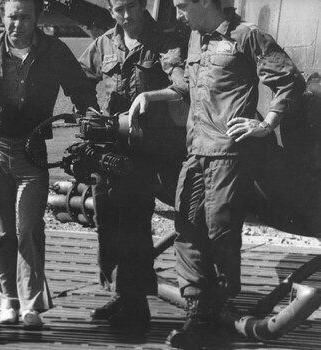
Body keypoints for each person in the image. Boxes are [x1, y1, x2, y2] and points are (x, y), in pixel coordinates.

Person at [128, 0, 305, 346]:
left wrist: (266, 124)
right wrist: (150, 95)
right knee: (187, 227)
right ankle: (198, 312)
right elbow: (187, 88)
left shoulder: (246, 37)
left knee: (219, 230)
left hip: (229, 154)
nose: (178, 13)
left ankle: (217, 305)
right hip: (195, 151)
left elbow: (288, 80)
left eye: (182, 6)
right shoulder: (195, 40)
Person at [0, 0, 98, 329]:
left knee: (29, 229)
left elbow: (82, 93)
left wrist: (93, 122)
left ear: (38, 17)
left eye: (25, 17)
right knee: (3, 231)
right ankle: (6, 303)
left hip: (33, 153)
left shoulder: (56, 50)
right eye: (12, 17)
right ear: (1, 17)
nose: (18, 24)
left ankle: (31, 304)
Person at [78, 0, 187, 330]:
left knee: (134, 223)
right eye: (118, 9)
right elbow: (79, 79)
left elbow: (182, 86)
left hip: (147, 150)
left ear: (142, 4)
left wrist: (150, 99)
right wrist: (87, 111)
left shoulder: (164, 41)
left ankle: (136, 306)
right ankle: (121, 294)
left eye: (131, 7)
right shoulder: (104, 44)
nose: (126, 16)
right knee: (106, 218)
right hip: (107, 147)